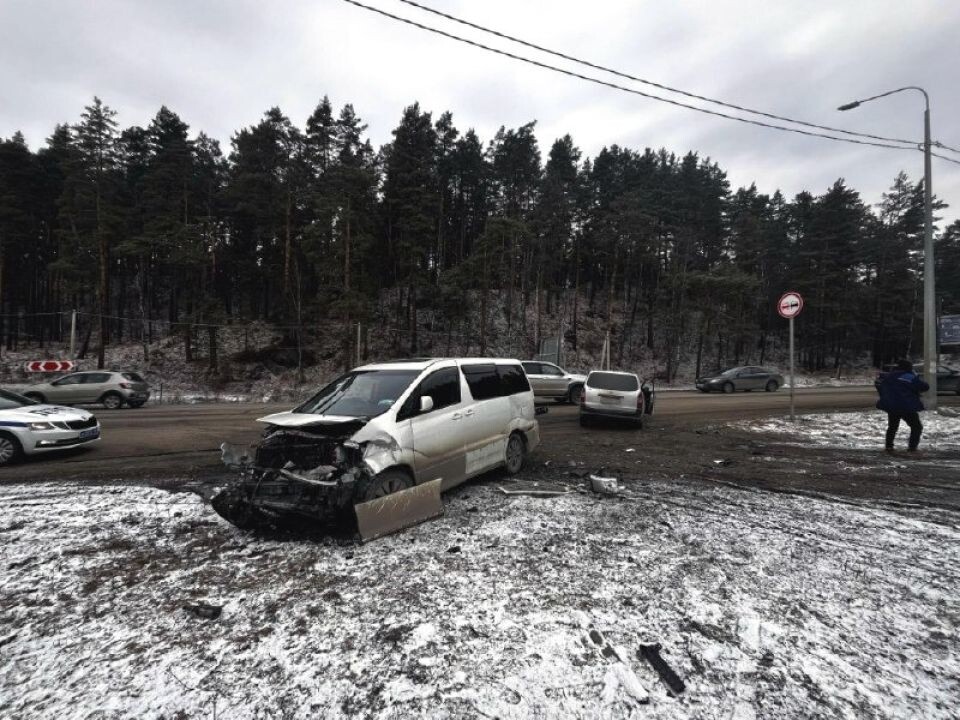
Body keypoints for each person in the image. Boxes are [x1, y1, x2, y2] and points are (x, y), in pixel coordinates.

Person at [876, 359, 929, 452]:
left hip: (891, 405)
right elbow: (924, 387)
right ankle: (912, 447)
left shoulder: (889, 376)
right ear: (909, 368)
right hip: (906, 406)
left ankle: (889, 446)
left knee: (892, 426)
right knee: (916, 426)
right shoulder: (909, 377)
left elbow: (879, 385)